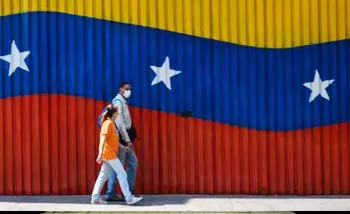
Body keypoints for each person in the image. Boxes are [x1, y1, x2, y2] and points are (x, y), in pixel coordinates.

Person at [91, 105, 143, 205]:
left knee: (103, 175)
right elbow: (103, 139)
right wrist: (100, 153)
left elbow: (114, 139)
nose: (119, 113)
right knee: (122, 174)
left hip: (110, 153)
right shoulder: (108, 123)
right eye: (118, 111)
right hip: (109, 154)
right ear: (114, 113)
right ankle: (129, 198)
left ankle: (95, 197)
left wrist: (123, 147)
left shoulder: (112, 123)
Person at [105, 82, 139, 201]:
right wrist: (127, 140)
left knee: (132, 163)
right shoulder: (118, 102)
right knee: (118, 166)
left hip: (125, 137)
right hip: (122, 138)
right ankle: (111, 194)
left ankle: (128, 192)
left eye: (130, 89)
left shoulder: (123, 102)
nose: (129, 91)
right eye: (126, 89)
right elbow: (119, 124)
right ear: (121, 90)